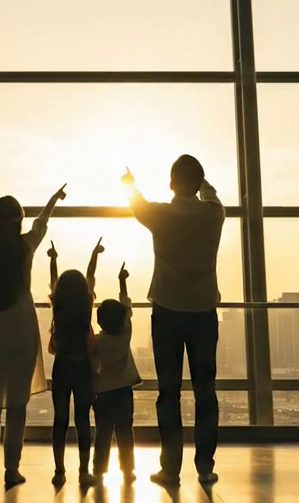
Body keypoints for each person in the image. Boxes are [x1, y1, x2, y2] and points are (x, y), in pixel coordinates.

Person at [122, 156, 225, 486]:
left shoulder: (160, 215)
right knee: (205, 392)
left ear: (170, 184)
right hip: (204, 312)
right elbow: (211, 193)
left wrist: (129, 183)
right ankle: (205, 466)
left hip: (167, 310)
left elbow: (135, 203)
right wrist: (203, 183)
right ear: (198, 184)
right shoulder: (213, 214)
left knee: (169, 392)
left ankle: (171, 469)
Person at [0, 180, 66, 490]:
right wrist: (53, 198)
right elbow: (42, 222)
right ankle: (13, 468)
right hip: (21, 328)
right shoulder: (27, 246)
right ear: (19, 221)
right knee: (16, 405)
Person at [47, 239, 101, 487]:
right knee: (82, 419)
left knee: (60, 419)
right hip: (83, 368)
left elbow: (54, 281)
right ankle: (83, 470)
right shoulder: (86, 305)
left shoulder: (58, 305)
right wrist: (93, 254)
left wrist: (53, 260)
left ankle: (59, 471)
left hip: (62, 366)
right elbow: (90, 277)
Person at [92, 262, 141, 483]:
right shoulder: (125, 336)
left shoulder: (97, 342)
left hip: (103, 392)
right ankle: (127, 470)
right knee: (124, 431)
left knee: (103, 432)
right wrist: (122, 281)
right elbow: (127, 309)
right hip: (124, 391)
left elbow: (92, 366)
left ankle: (99, 469)